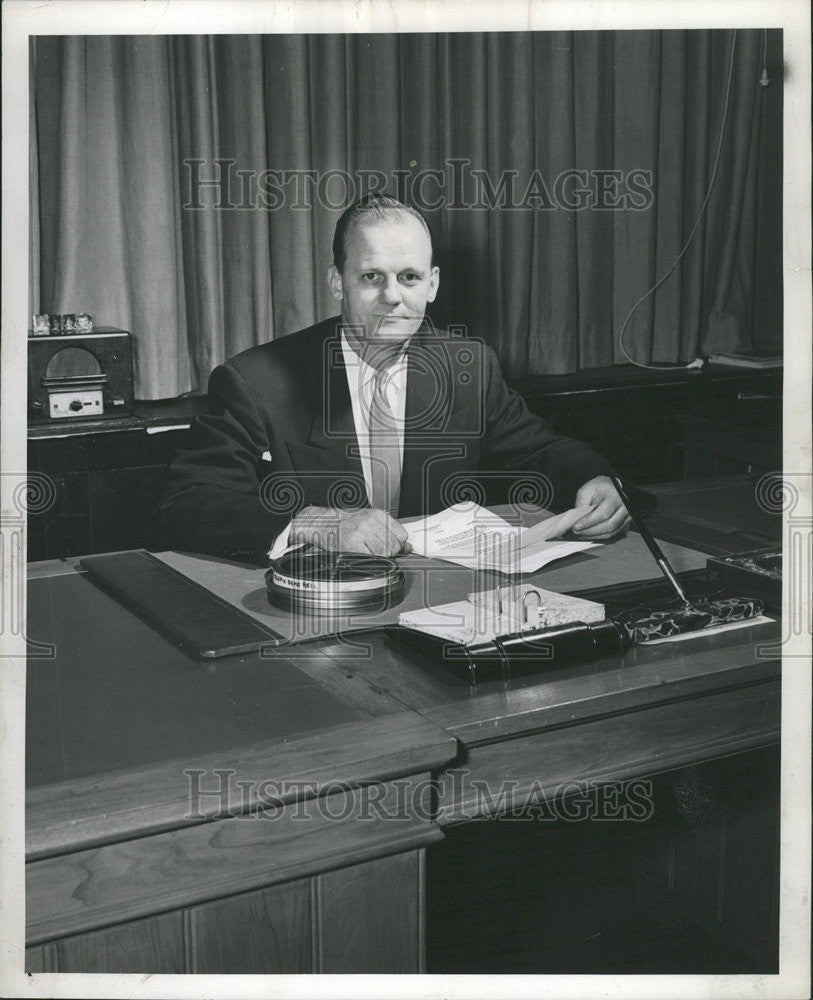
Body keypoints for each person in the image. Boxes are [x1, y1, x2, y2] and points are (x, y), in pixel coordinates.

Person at [148, 195, 630, 565]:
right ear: (338, 282)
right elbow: (185, 505)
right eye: (371, 277)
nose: (393, 298)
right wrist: (312, 522)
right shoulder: (255, 381)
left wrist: (594, 478)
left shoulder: (469, 366)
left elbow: (538, 451)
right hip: (320, 604)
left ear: (433, 284)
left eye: (410, 277)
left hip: (443, 596)